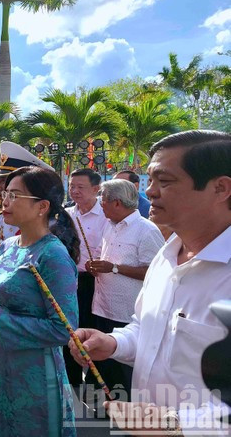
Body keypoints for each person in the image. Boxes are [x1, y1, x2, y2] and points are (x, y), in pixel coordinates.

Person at [70, 130, 231, 435]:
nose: (149, 192)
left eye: (165, 181)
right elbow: (146, 329)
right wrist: (114, 342)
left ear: (220, 188)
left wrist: (173, 424)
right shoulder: (166, 257)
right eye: (150, 180)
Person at [0, 166, 81, 436]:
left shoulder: (53, 255)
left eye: (15, 195)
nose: (4, 201)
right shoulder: (8, 246)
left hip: (33, 371)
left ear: (42, 206)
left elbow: (63, 328)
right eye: (5, 193)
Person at [85, 179, 164, 398]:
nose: (100, 206)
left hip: (127, 314)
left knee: (125, 372)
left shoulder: (146, 230)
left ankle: (130, 416)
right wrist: (97, 267)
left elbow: (156, 272)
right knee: (105, 366)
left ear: (116, 203)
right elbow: (107, 258)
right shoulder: (110, 226)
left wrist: (115, 269)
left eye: (103, 202)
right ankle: (108, 408)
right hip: (103, 307)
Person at [64, 167, 108, 389]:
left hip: (94, 280)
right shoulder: (67, 214)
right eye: (72, 186)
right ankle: (71, 380)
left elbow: (108, 245)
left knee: (91, 329)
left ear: (95, 189)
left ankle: (94, 382)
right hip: (69, 279)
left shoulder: (106, 215)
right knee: (69, 327)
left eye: (80, 187)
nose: (74, 191)